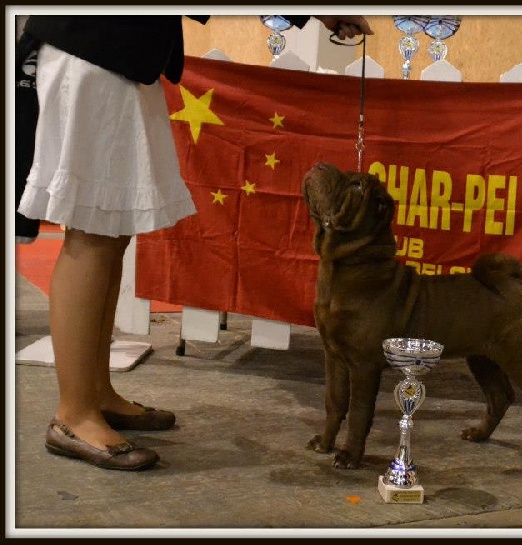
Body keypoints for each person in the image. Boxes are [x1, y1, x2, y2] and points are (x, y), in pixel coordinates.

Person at [16, 14, 374, 471]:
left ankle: (95, 393)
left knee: (112, 233)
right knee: (92, 234)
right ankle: (73, 415)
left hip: (119, 56)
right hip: (94, 51)